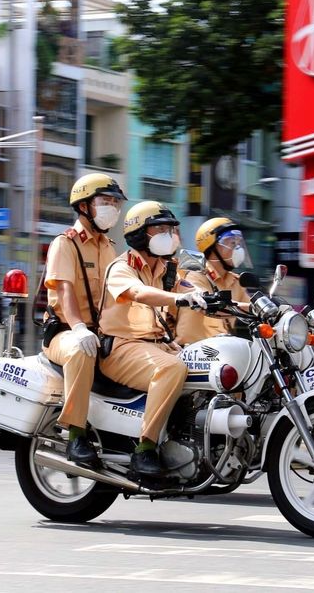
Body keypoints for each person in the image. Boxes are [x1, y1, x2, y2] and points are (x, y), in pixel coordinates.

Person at [98, 201, 208, 477]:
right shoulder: (121, 267)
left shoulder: (165, 269)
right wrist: (179, 298)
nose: (169, 234)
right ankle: (145, 449)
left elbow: (195, 290)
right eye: (160, 228)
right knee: (172, 368)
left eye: (171, 229)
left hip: (154, 346)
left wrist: (255, 307)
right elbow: (138, 293)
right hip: (120, 348)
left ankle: (189, 439)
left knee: (207, 366)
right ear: (139, 234)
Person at [42, 173, 126, 467]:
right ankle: (75, 434)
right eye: (105, 201)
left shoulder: (109, 246)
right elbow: (65, 293)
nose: (113, 207)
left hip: (100, 331)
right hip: (64, 333)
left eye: (115, 202)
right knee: (82, 351)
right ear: (84, 206)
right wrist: (78, 328)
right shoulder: (65, 244)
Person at [175, 217, 253, 346]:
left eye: (238, 243)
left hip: (222, 350)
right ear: (212, 247)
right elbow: (206, 303)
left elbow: (249, 308)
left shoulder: (235, 281)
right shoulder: (195, 274)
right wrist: (253, 307)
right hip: (192, 352)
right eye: (232, 243)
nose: (238, 249)